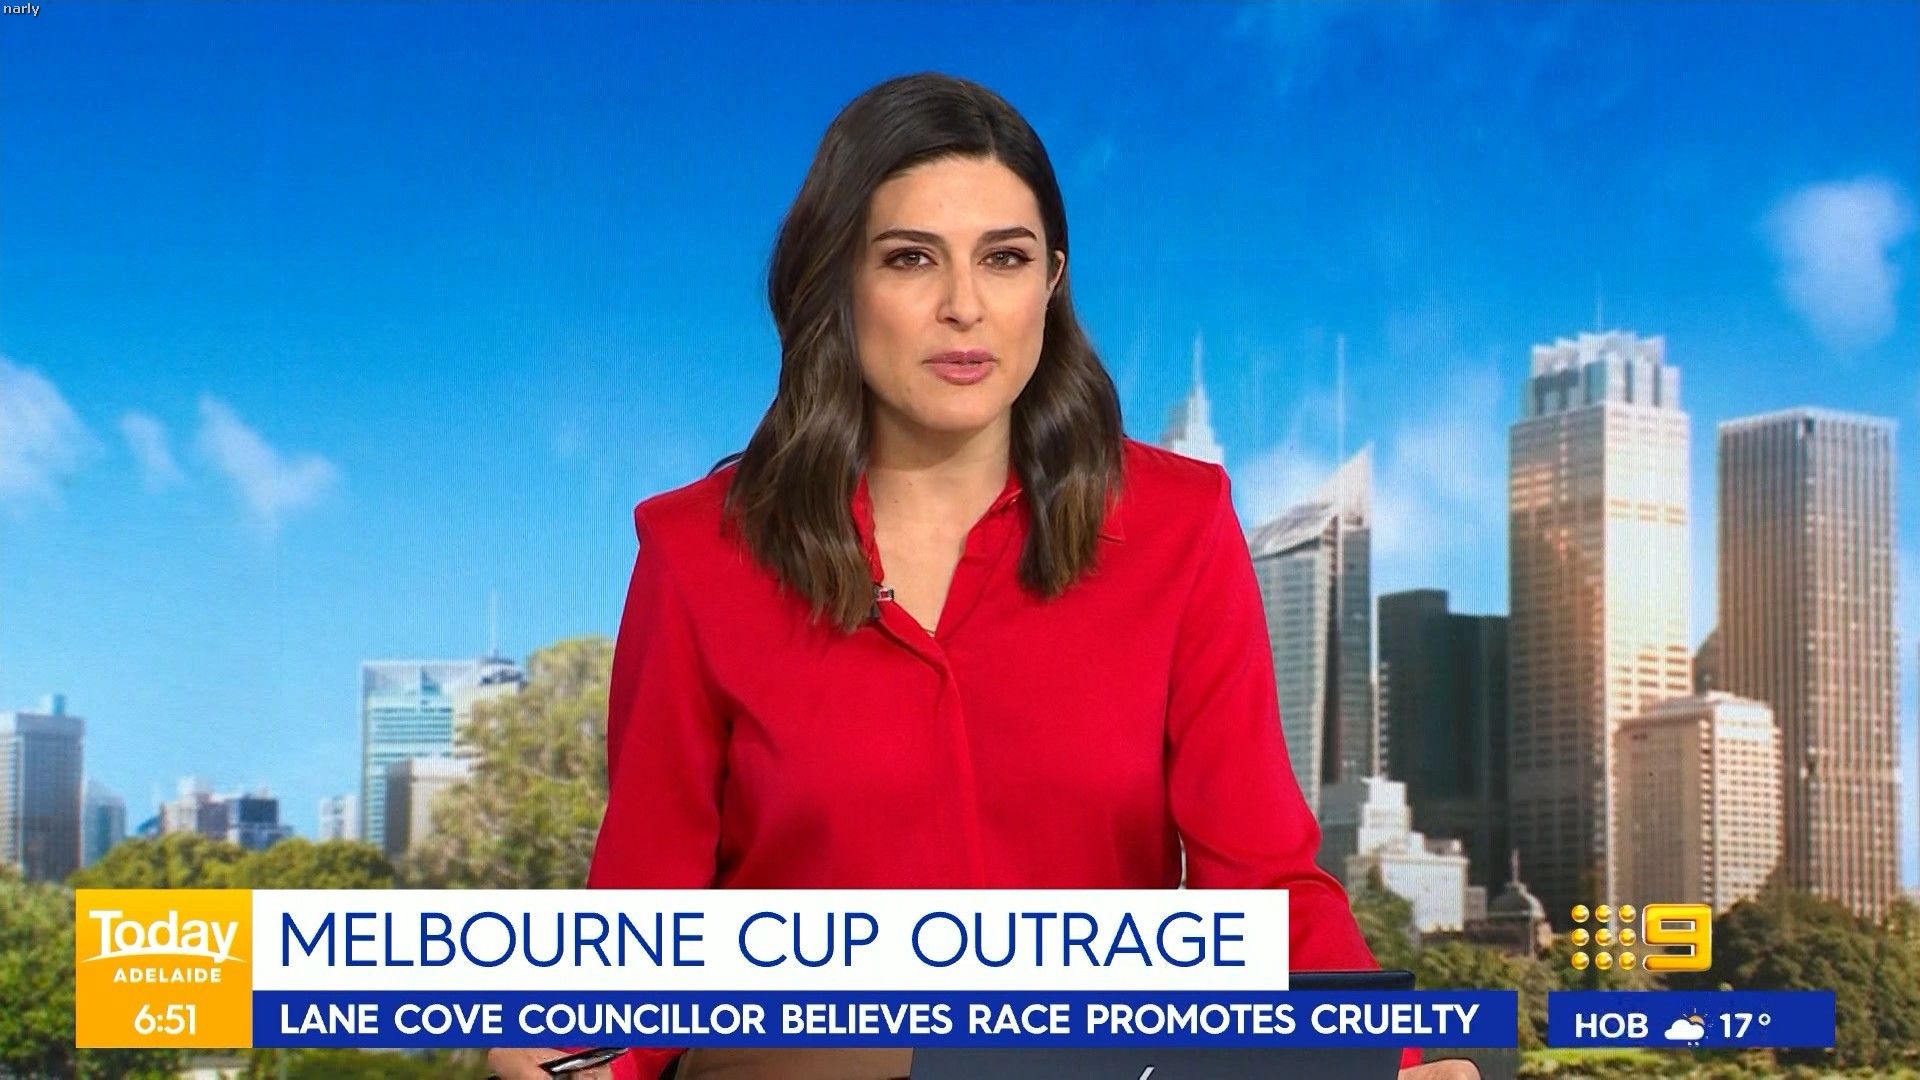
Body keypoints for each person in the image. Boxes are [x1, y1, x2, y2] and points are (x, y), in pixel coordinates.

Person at [490, 73, 1477, 1080]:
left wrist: (1385, 1061)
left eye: (1004, 259)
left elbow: (1262, 882)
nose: (963, 307)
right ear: (839, 282)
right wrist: (571, 1051)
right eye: (910, 259)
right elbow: (647, 911)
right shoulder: (696, 553)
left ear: (1050, 282)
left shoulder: (1178, 527)